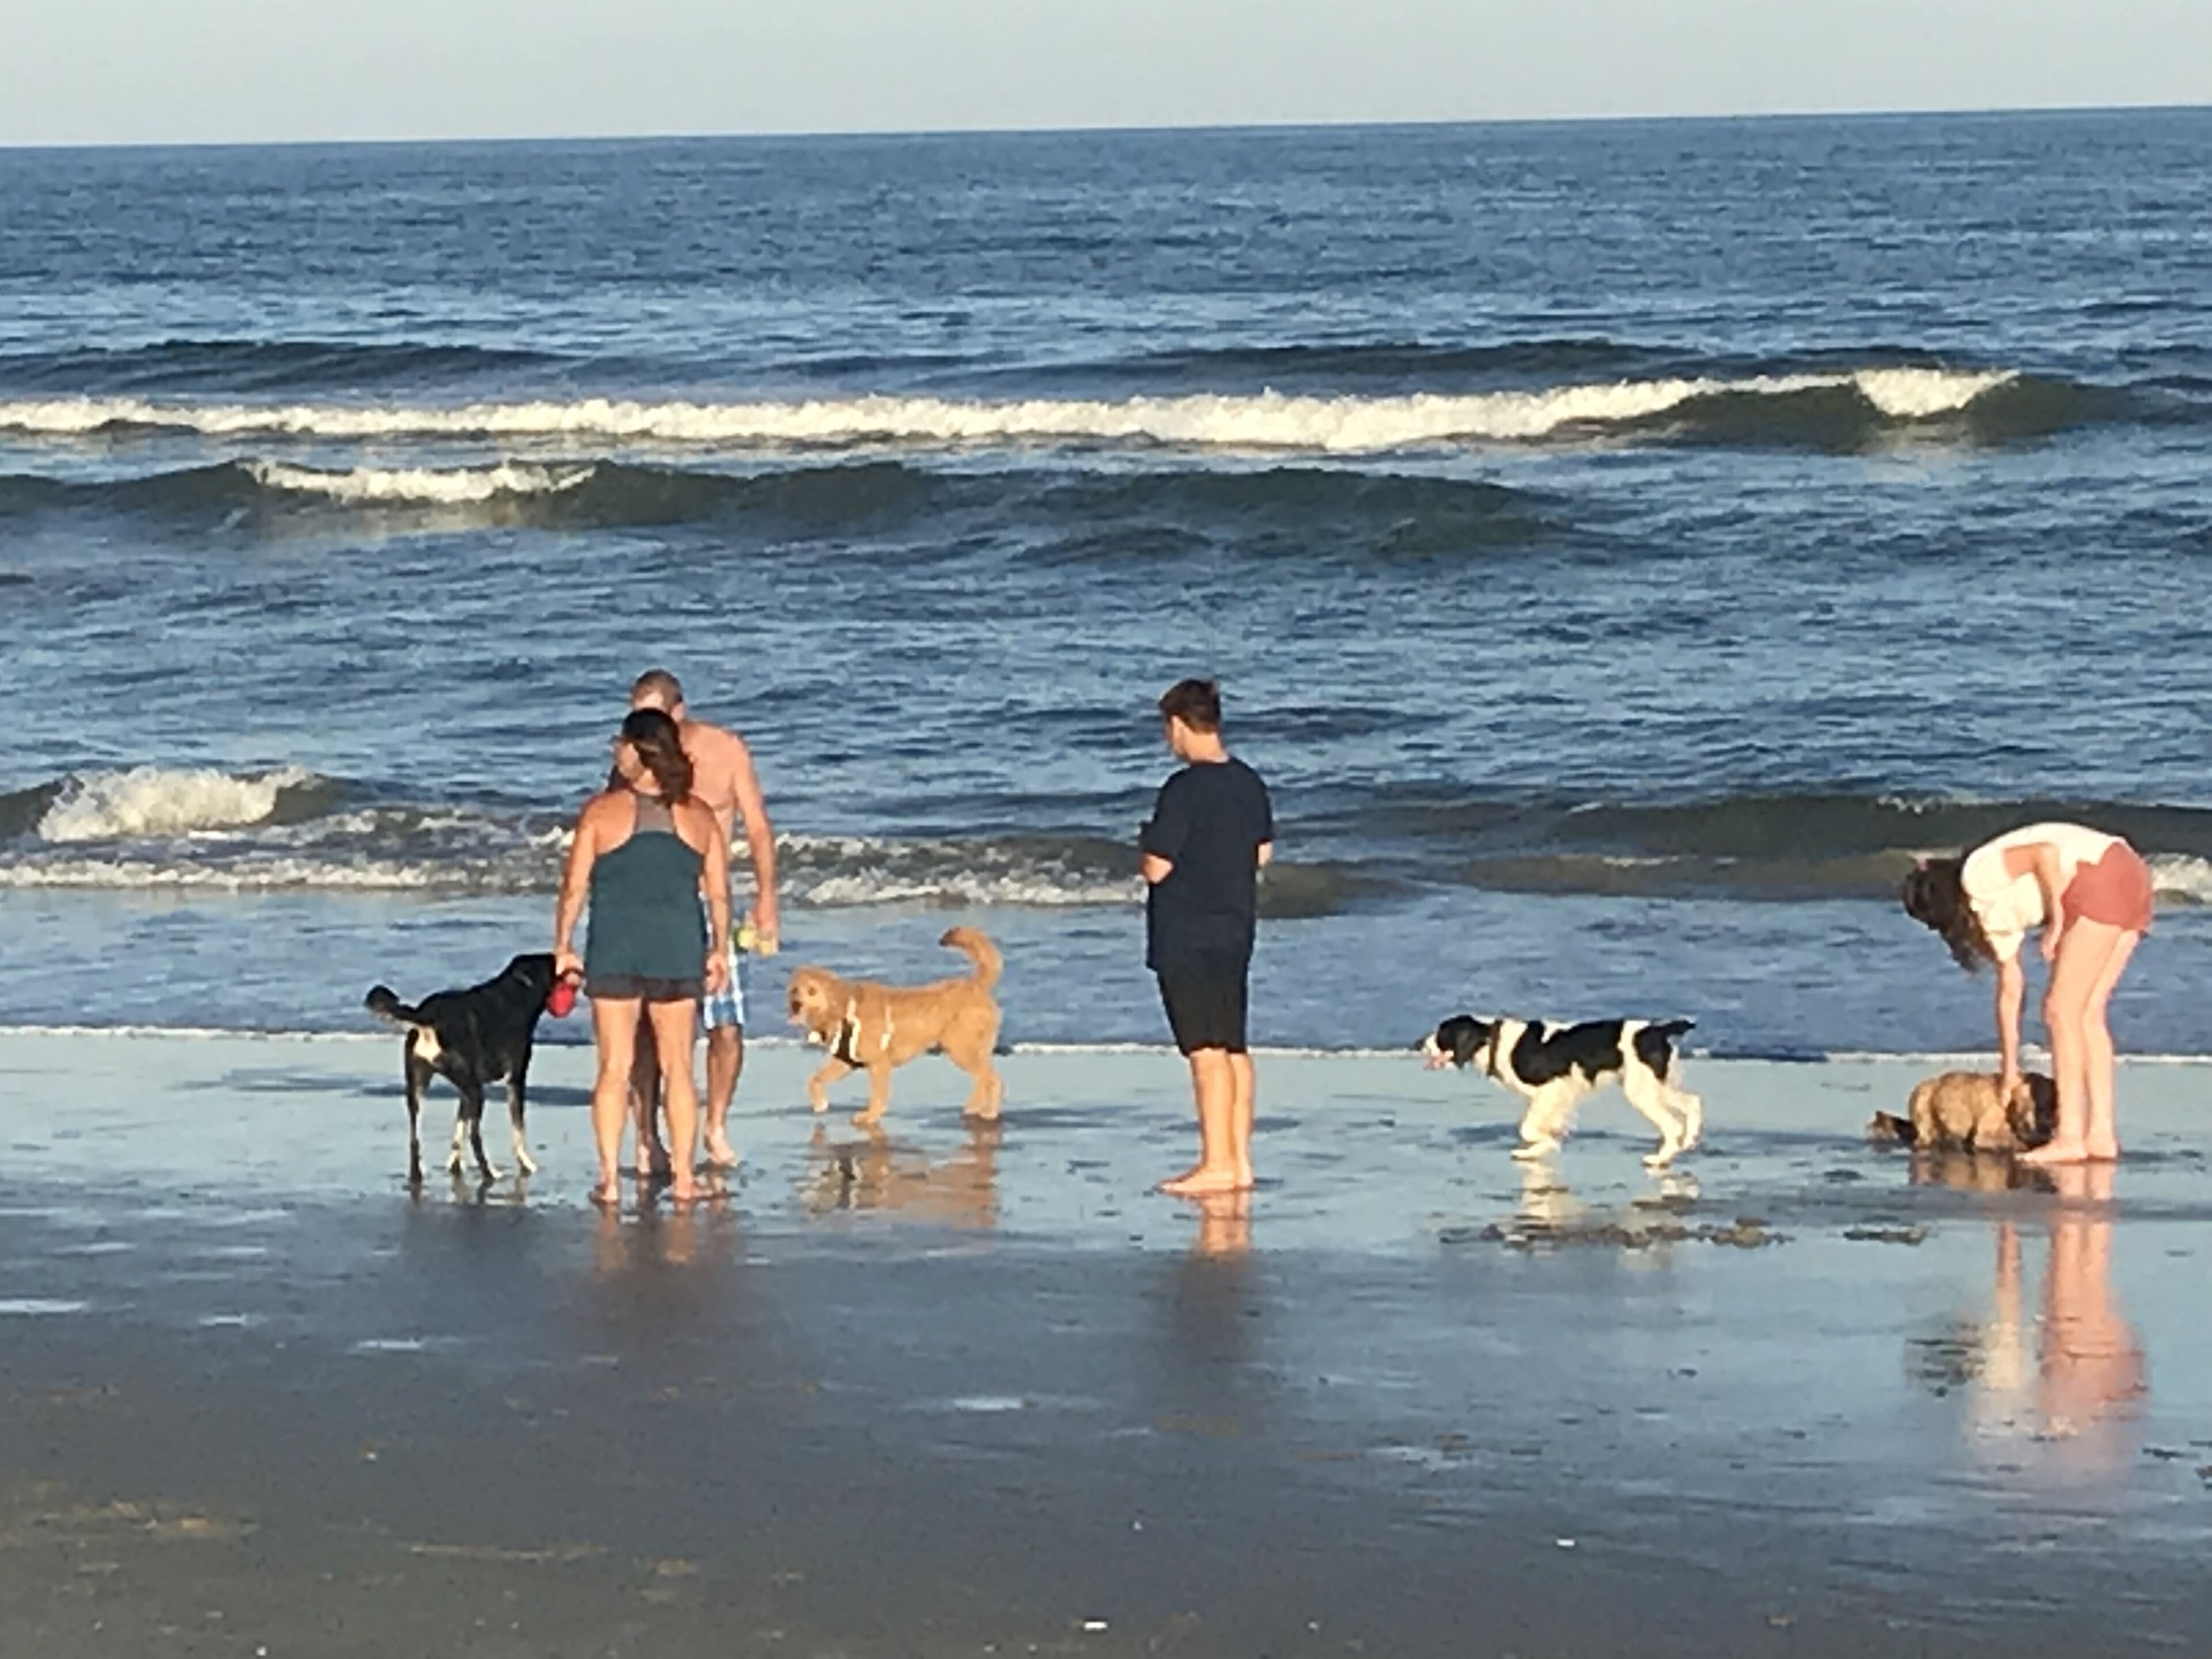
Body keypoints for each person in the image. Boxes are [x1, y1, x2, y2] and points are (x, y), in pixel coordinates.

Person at [555, 707, 732, 1207]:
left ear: (640, 751)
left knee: (614, 1067)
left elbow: (573, 888)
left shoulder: (600, 812)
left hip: (616, 947)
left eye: (621, 743)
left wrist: (563, 945)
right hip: (677, 948)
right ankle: (681, 1178)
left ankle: (610, 1179)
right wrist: (719, 949)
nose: (615, 750)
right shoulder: (699, 816)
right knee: (679, 1067)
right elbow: (718, 893)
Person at [1902, 822, 2153, 1165]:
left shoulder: (1978, 872)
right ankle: (2101, 1135)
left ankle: (2070, 1136)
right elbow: (2010, 990)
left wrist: (2059, 920)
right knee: (2088, 1012)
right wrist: (2009, 1073)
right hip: (2132, 872)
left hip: (2097, 875)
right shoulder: (1990, 915)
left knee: (2059, 1011)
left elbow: (2044, 854)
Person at [626, 669, 780, 1173]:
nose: (642, 730)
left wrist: (766, 899)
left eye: (652, 718)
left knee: (726, 1027)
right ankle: (649, 1136)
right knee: (650, 1031)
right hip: (651, 905)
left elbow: (757, 829)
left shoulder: (724, 750)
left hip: (710, 902)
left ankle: (716, 1124)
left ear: (678, 712)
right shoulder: (634, 757)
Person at [1139, 679, 1272, 1196]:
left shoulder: (1184, 788)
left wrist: (1146, 840)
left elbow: (1156, 867)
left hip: (1187, 929)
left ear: (1178, 724)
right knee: (1234, 1045)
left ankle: (1216, 1161)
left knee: (1204, 1049)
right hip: (1235, 925)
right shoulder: (1248, 782)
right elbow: (1261, 854)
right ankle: (1238, 1160)